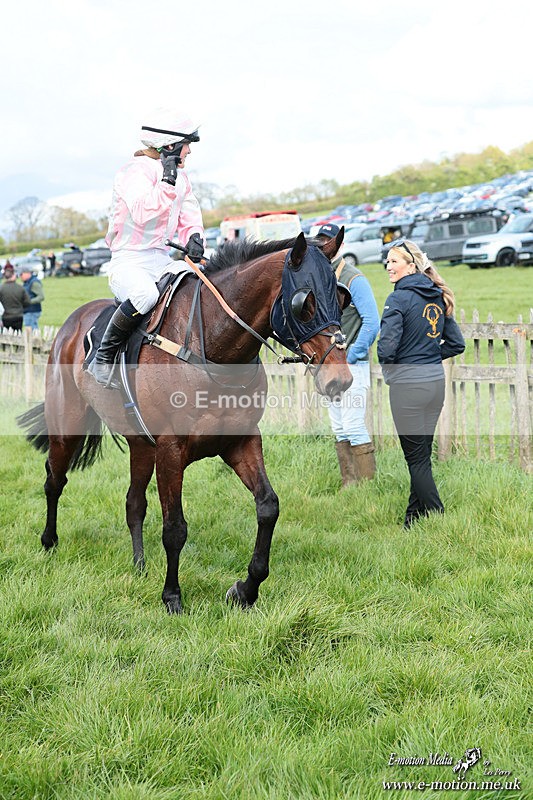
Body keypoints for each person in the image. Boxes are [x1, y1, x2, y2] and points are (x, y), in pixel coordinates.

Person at [87, 106, 205, 388]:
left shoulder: (180, 178)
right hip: (128, 261)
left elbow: (190, 212)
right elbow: (143, 213)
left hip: (160, 258)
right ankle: (102, 359)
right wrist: (166, 180)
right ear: (172, 146)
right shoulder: (133, 173)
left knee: (198, 284)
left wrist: (195, 237)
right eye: (186, 145)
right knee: (144, 296)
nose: (189, 151)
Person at [377, 239, 465, 528]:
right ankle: (412, 521)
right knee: (422, 457)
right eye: (387, 261)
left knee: (416, 461)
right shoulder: (437, 295)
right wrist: (426, 357)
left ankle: (440, 520)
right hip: (434, 384)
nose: (388, 266)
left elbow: (386, 349)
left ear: (411, 266)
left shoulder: (397, 299)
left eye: (394, 261)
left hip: (408, 387)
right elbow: (456, 344)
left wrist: (395, 371)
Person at [317, 223, 380, 486]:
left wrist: (353, 355)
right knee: (339, 427)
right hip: (330, 366)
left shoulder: (354, 278)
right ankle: (349, 485)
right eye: (319, 242)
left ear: (338, 245)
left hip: (351, 366)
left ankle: (366, 488)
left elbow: (372, 321)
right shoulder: (320, 276)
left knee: (353, 425)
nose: (323, 246)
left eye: (327, 242)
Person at [0, 265, 30, 331]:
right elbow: (27, 302)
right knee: (18, 335)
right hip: (18, 315)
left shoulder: (1, 288)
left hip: (6, 316)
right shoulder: (20, 288)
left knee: (6, 336)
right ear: (13, 275)